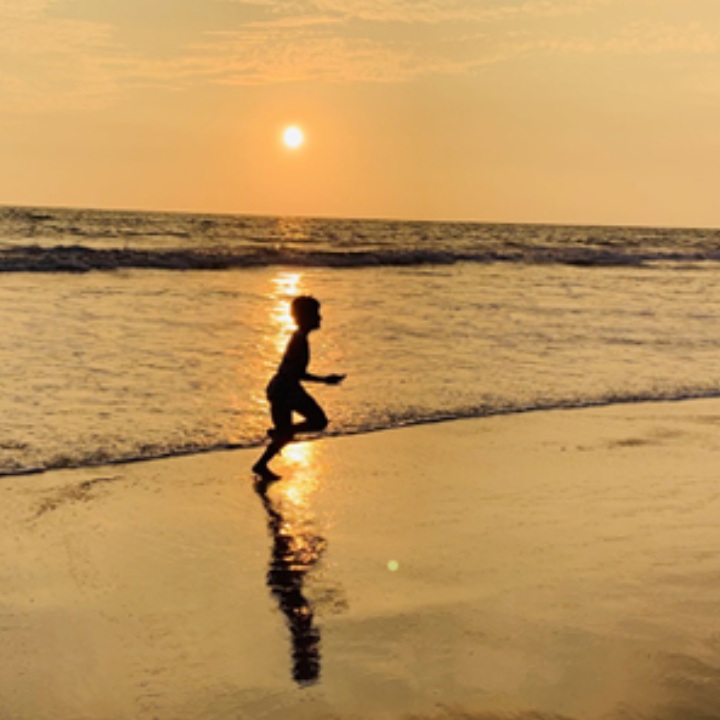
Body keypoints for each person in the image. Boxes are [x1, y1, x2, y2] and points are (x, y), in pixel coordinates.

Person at [253, 295, 345, 480]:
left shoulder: (299, 338)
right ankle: (276, 439)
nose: (320, 318)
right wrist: (324, 380)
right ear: (305, 317)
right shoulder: (299, 341)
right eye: (316, 314)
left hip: (281, 388)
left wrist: (323, 380)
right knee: (318, 421)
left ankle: (261, 465)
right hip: (286, 389)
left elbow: (294, 371)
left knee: (286, 433)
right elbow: (295, 372)